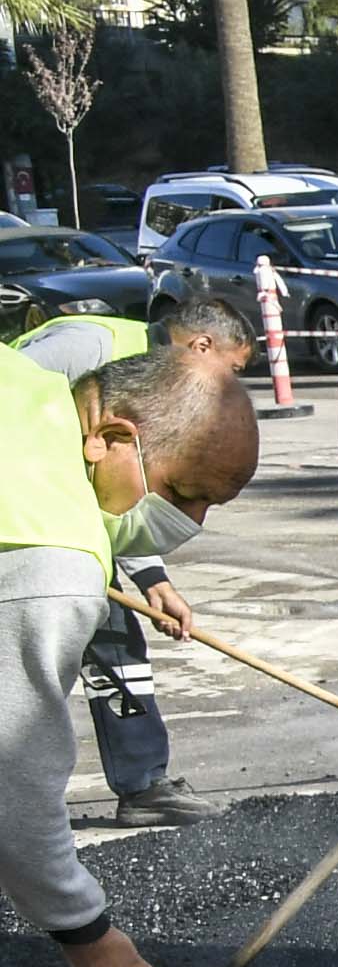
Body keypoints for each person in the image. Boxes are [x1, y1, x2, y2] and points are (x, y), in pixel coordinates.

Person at [0, 338, 261, 967]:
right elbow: (14, 789)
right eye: (187, 493)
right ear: (112, 434)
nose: (190, 524)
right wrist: (88, 932)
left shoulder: (27, 386)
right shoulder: (48, 559)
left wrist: (132, 557)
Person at [18, 296, 253, 825]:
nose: (229, 389)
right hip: (29, 524)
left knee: (117, 639)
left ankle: (143, 784)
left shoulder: (149, 397)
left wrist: (153, 579)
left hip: (65, 519)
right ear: (200, 347)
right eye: (231, 372)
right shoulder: (89, 348)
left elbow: (126, 478)